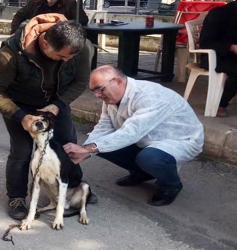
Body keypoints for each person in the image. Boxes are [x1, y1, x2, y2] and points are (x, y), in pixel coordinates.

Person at [0, 14, 94, 220]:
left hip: (56, 103)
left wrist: (58, 105)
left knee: (68, 145)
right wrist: (20, 116)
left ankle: (75, 187)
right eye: (61, 57)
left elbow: (80, 82)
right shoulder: (12, 53)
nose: (66, 61)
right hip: (19, 105)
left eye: (70, 58)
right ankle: (16, 197)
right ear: (44, 42)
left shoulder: (81, 48)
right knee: (22, 152)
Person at [63, 65, 204, 206]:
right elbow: (104, 127)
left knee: (149, 158)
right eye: (93, 91)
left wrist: (91, 148)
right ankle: (143, 173)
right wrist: (85, 150)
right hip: (145, 139)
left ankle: (171, 185)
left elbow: (132, 132)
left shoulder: (149, 96)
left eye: (100, 89)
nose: (96, 95)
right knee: (100, 145)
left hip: (179, 141)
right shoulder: (111, 99)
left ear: (118, 81)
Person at [10, 0, 89, 34]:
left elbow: (83, 20)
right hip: (36, 35)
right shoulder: (35, 2)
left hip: (61, 38)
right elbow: (19, 15)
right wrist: (14, 32)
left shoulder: (71, 4)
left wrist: (65, 26)